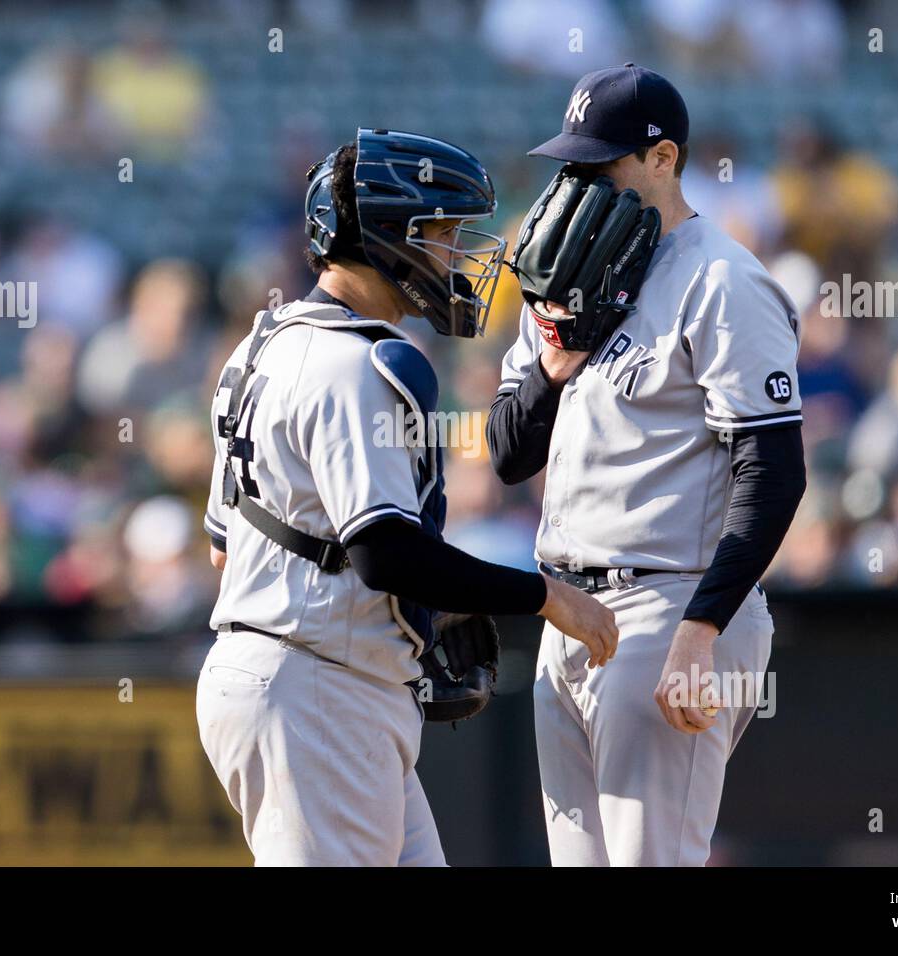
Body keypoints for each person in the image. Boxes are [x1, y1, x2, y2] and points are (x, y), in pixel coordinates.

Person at [196, 128, 617, 867]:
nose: (459, 255)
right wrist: (545, 597)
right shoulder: (351, 364)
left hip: (305, 674)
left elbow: (226, 545)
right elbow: (387, 554)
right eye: (444, 233)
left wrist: (400, 616)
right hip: (316, 688)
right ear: (390, 235)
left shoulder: (263, 344)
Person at [487, 66, 807, 866]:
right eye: (572, 164)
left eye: (603, 164)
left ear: (663, 158)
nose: (579, 180)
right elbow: (505, 453)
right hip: (568, 614)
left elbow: (773, 472)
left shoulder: (722, 279)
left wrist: (701, 632)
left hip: (668, 605)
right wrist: (553, 365)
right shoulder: (563, 276)